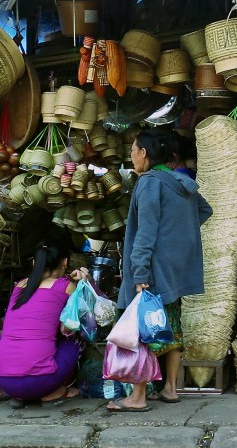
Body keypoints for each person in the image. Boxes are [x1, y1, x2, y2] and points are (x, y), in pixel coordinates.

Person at [107, 129, 212, 413]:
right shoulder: (182, 181)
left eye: (133, 150)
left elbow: (145, 234)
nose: (131, 156)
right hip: (174, 272)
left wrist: (139, 273)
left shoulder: (150, 183)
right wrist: (176, 241)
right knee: (170, 328)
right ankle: (170, 389)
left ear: (144, 153)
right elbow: (204, 210)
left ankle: (138, 397)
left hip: (152, 272)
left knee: (142, 330)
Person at [0, 234, 90, 408]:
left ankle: (21, 394)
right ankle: (53, 391)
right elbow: (84, 314)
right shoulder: (66, 287)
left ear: (35, 262)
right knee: (77, 336)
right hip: (40, 381)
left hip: (5, 381)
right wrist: (83, 283)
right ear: (64, 262)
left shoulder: (20, 286)